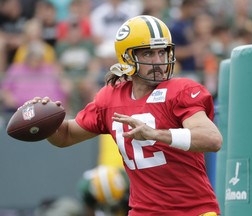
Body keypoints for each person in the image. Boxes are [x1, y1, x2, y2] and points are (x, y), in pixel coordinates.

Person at [26, 15, 222, 216]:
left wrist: (156, 134)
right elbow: (65, 136)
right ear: (127, 58)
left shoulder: (181, 90)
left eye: (162, 52)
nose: (159, 61)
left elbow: (212, 139)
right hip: (143, 212)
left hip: (193, 211)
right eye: (148, 54)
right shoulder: (110, 98)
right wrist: (45, 121)